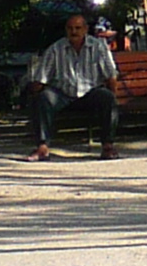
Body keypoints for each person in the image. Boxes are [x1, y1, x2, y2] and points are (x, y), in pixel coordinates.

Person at [22, 12, 122, 160]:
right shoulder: (56, 49)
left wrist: (114, 97)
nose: (74, 32)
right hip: (62, 94)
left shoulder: (98, 47)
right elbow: (41, 78)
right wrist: (34, 93)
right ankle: (42, 148)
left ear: (85, 29)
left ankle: (108, 146)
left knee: (107, 98)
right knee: (43, 98)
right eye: (70, 28)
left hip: (90, 93)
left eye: (78, 28)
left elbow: (110, 76)